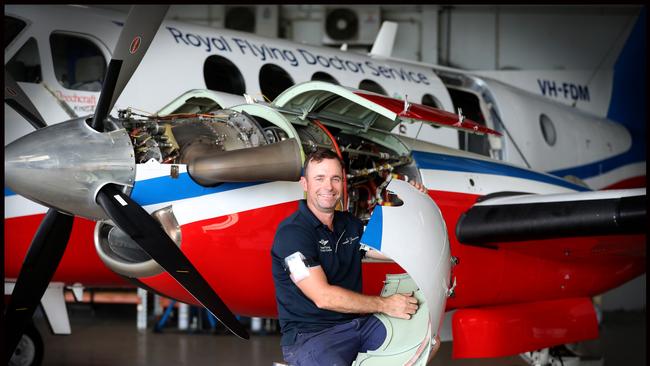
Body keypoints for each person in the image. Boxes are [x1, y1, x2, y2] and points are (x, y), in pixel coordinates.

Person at [271, 149, 439, 365]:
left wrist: (416, 206)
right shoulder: (292, 234)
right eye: (319, 178)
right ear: (305, 184)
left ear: (343, 183)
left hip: (357, 326)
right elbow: (323, 297)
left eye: (335, 178)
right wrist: (385, 304)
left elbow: (395, 249)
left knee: (427, 341)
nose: (328, 186)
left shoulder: (348, 224)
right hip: (312, 336)